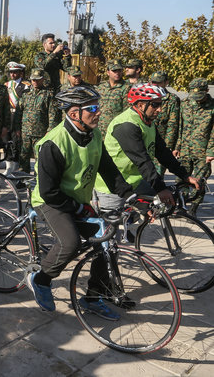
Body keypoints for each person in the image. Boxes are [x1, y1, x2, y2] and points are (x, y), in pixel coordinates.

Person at [27, 86, 137, 319]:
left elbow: (108, 169)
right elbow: (49, 192)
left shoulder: (94, 134)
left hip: (75, 200)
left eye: (99, 107)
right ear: (74, 113)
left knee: (106, 242)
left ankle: (93, 297)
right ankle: (41, 279)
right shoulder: (53, 143)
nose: (99, 113)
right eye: (93, 109)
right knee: (70, 242)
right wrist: (78, 208)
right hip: (51, 201)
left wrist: (130, 195)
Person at [94, 84, 200, 214]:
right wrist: (160, 188)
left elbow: (162, 152)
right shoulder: (126, 125)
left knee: (159, 208)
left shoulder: (147, 121)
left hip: (135, 180)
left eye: (160, 104)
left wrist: (184, 176)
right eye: (154, 105)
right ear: (140, 105)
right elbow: (142, 160)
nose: (160, 109)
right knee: (114, 230)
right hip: (114, 185)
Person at [174, 78, 214, 215]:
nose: (197, 99)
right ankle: (182, 205)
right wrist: (177, 146)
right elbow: (180, 127)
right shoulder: (185, 103)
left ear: (207, 91)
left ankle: (193, 208)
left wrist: (211, 151)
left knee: (199, 181)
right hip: (185, 148)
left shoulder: (212, 106)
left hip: (203, 151)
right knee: (181, 178)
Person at [14, 67, 61, 173]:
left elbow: (53, 115)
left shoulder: (49, 95)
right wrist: (17, 128)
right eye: (33, 79)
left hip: (41, 133)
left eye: (37, 79)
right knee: (23, 157)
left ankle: (38, 182)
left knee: (40, 159)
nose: (35, 81)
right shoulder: (25, 95)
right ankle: (22, 180)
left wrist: (50, 131)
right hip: (25, 133)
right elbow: (18, 113)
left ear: (42, 79)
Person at [151, 71, 180, 174]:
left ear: (166, 82)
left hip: (162, 143)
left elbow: (172, 125)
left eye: (159, 82)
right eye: (153, 82)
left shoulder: (171, 99)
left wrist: (167, 147)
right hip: (146, 141)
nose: (155, 85)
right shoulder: (146, 96)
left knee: (157, 175)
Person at [96, 59, 131, 136]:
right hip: (98, 129)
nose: (117, 73)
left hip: (115, 130)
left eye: (119, 70)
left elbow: (127, 112)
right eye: (114, 71)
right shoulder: (101, 87)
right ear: (108, 72)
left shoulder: (126, 88)